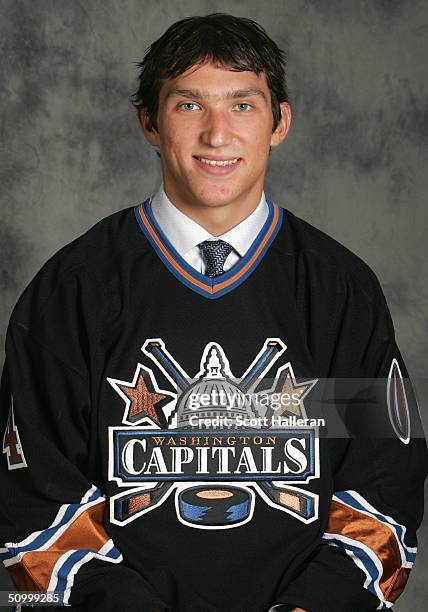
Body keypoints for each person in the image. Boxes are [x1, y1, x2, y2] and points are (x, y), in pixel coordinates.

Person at [0, 12, 426, 612]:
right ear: (148, 121)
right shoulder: (73, 291)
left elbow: (384, 491)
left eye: (243, 106)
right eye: (189, 105)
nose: (218, 135)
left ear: (280, 122)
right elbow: (32, 511)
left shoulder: (337, 291)